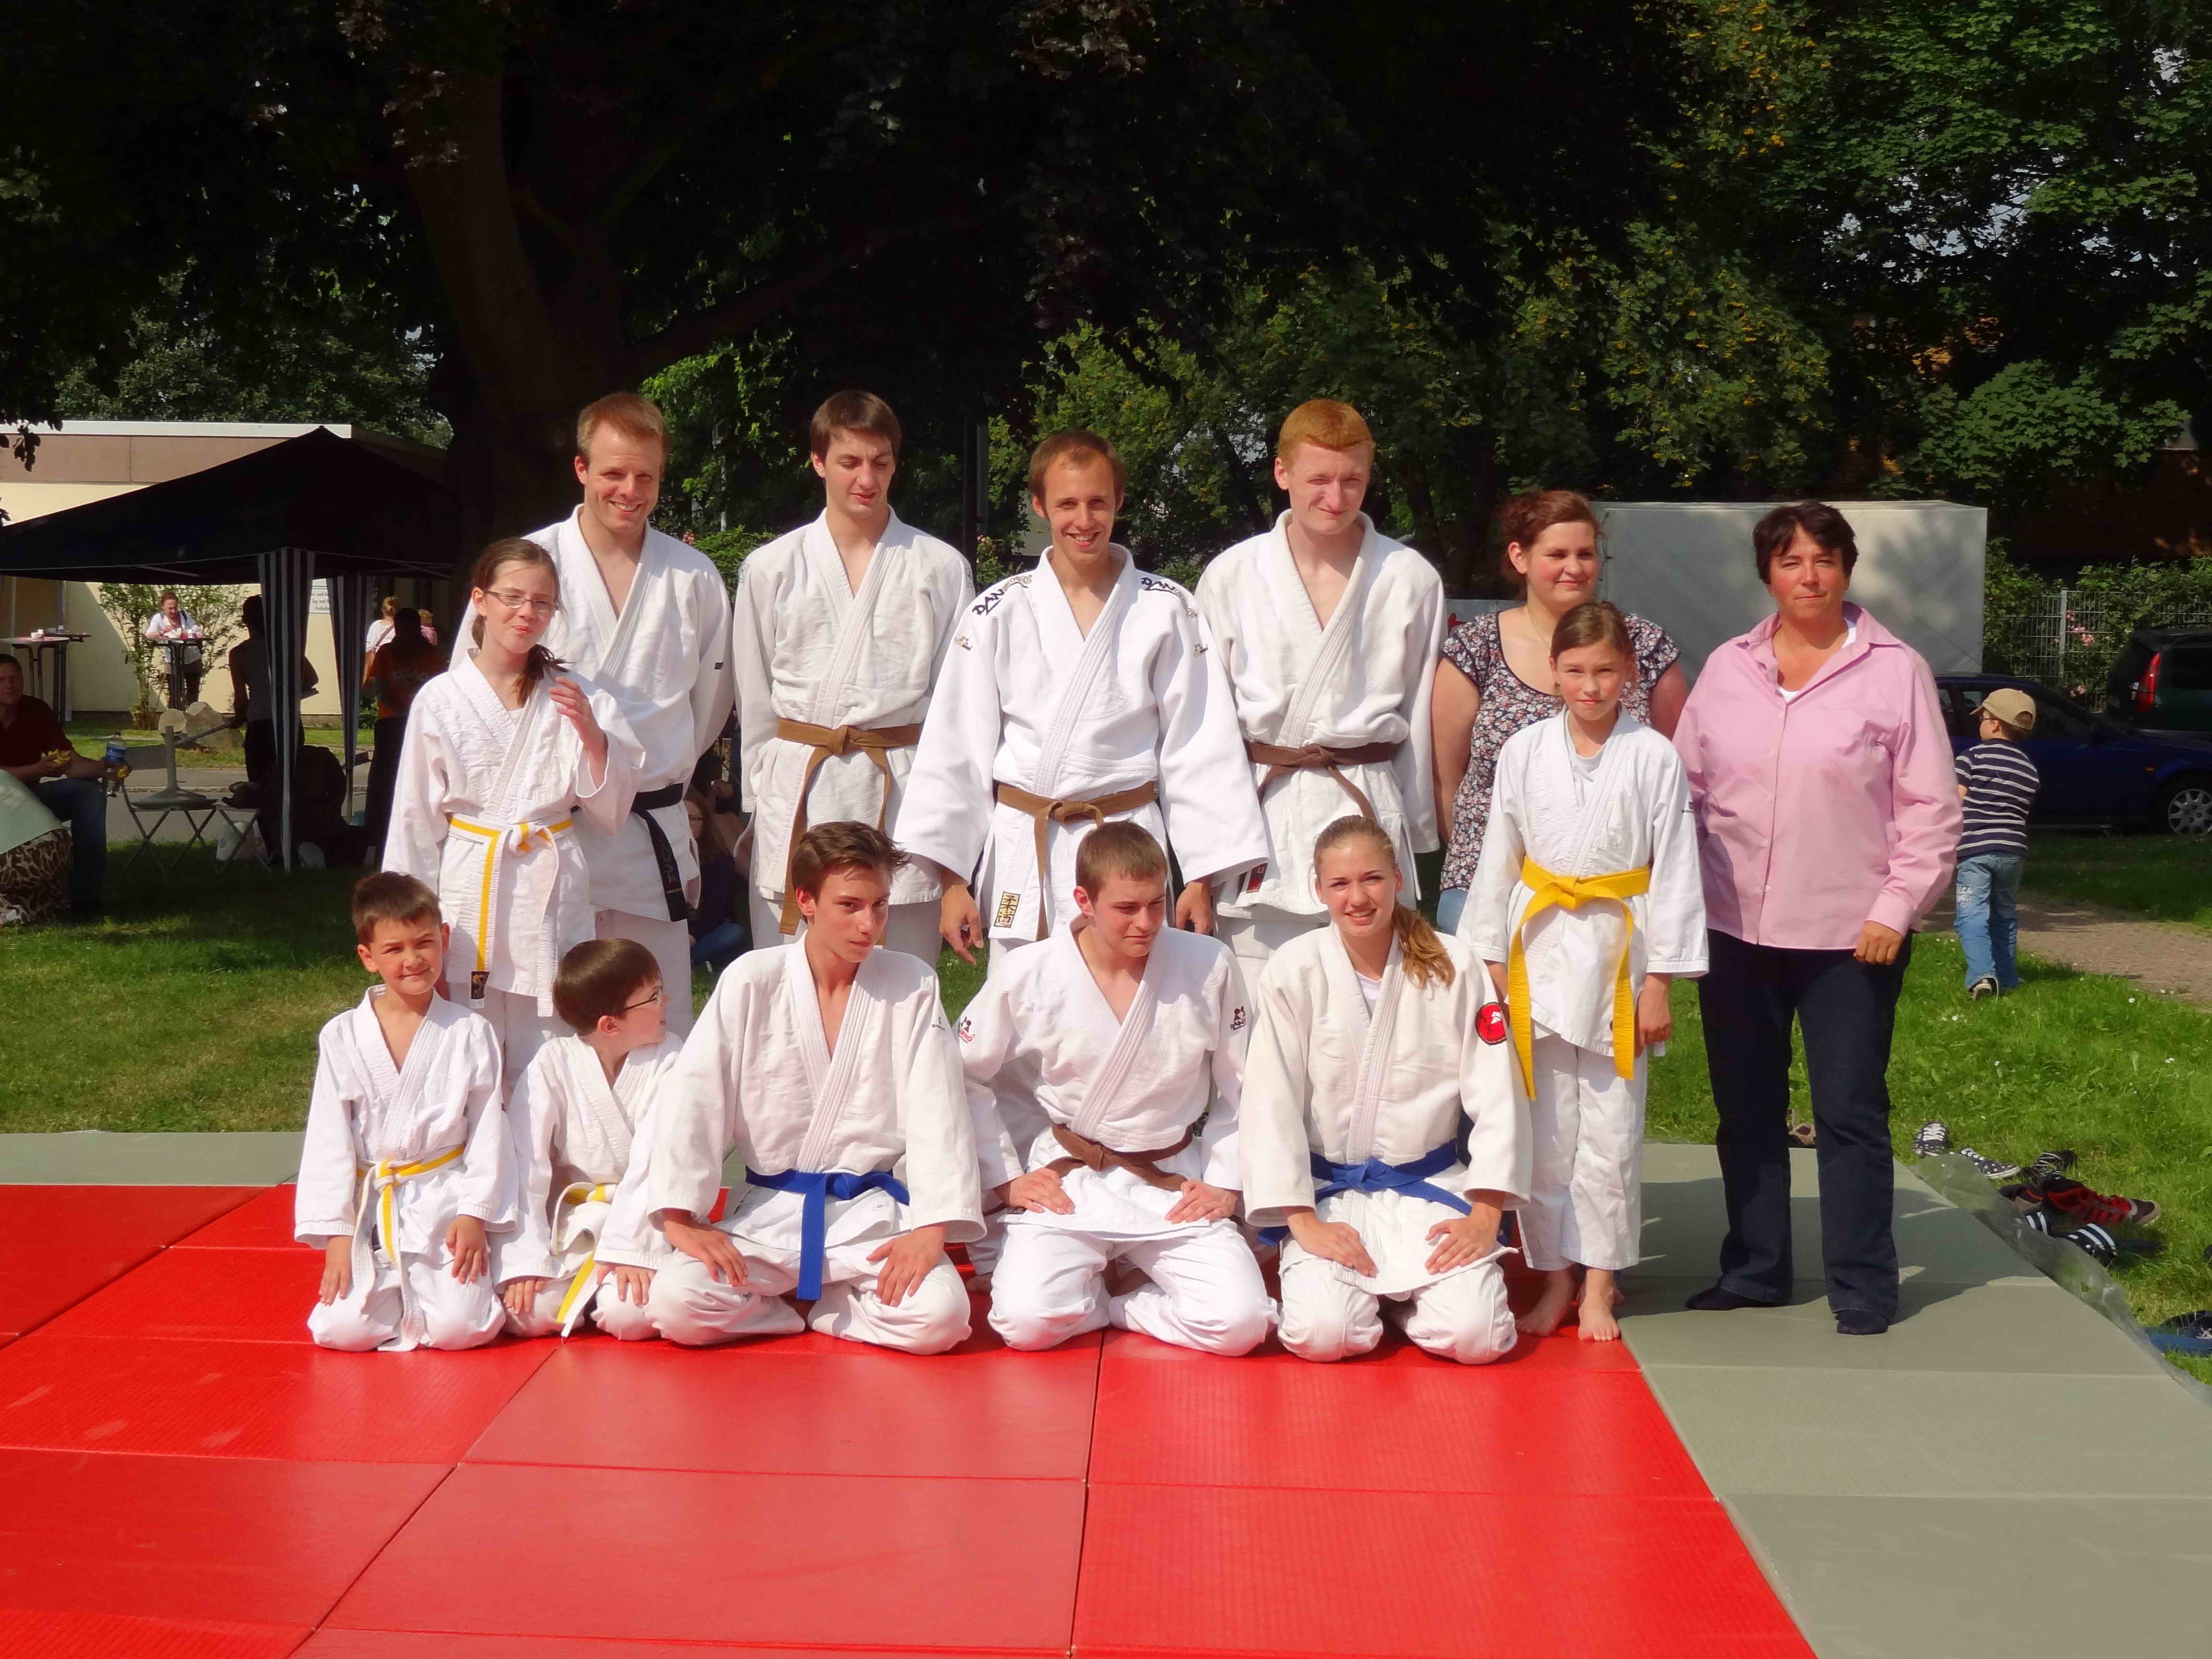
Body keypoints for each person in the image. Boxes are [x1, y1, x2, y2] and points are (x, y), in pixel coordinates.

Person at [1673, 501, 1959, 1337]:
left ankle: (1863, 1283)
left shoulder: (1893, 670)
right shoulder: (1727, 669)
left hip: (1849, 937)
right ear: (1766, 572)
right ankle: (1755, 1269)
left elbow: (1931, 810)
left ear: (1846, 568)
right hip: (1733, 930)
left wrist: (1895, 907)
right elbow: (1685, 796)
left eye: (1824, 559)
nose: (1809, 575)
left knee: (1847, 1112)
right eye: (1791, 560)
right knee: (1745, 1109)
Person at [601, 822, 984, 1353]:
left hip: (869, 1219)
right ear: (806, 900)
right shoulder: (752, 979)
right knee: (676, 1303)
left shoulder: (911, 982)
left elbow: (939, 1111)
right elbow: (695, 1101)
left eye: (879, 905)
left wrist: (931, 1228)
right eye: (849, 905)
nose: (868, 924)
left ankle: (833, 1307)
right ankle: (786, 1312)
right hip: (768, 1215)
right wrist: (679, 1215)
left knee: (940, 1318)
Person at [899, 429, 1267, 971]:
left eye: (1098, 502)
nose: (1084, 519)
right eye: (1067, 503)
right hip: (1029, 845)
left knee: (1136, 1005)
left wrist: (1202, 879)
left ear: (1119, 500)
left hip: (1127, 841)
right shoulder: (998, 611)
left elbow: (1199, 744)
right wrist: (954, 881)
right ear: (1039, 506)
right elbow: (956, 749)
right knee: (1022, 1016)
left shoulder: (1168, 609)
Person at [1460, 601, 1707, 1341]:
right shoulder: (1524, 752)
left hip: (1618, 960)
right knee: (1544, 1129)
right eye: (1576, 671)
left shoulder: (1654, 756)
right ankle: (1554, 1278)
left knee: (1612, 1129)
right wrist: (1492, 958)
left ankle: (1601, 1283)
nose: (1591, 686)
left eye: (1605, 671)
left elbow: (1675, 872)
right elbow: (1497, 856)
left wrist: (1661, 978)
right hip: (1538, 954)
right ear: (1553, 672)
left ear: (1629, 671)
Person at [958, 822, 1273, 1356]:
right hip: (1071, 1180)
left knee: (1240, 1324)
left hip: (1173, 1183)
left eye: (1156, 903)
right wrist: (1006, 1179)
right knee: (1025, 1323)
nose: (1147, 923)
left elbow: (1246, 1083)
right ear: (1083, 900)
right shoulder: (1029, 971)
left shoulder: (1207, 964)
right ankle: (1104, 1290)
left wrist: (1228, 1181)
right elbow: (961, 1073)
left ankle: (1119, 1308)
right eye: (1127, 908)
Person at [1243, 816, 1528, 1364]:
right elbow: (1268, 1102)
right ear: (1318, 890)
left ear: (1399, 879)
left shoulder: (1454, 963)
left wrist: (1486, 1213)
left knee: (1479, 1338)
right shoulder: (1293, 970)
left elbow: (1498, 1093)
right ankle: (1387, 1298)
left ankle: (1402, 1301)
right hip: (1330, 1197)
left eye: (1371, 879)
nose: (1357, 898)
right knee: (1325, 1336)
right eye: (1340, 884)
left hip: (1430, 1188)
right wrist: (1302, 1223)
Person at [500, 393, 734, 1037]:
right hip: (552, 830)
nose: (629, 490)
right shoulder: (527, 565)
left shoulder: (692, 577)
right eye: (612, 473)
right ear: (580, 469)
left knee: (653, 1023)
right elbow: (487, 687)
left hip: (647, 828)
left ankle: (655, 1142)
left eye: (645, 476)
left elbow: (710, 705)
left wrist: (654, 772)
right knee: (546, 1030)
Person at [1196, 400, 1444, 974]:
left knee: (1373, 1010)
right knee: (1263, 1015)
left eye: (1352, 480)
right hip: (1265, 815)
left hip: (1368, 803)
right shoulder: (1231, 575)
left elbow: (1421, 712)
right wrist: (1210, 850)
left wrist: (1415, 829)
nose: (1336, 498)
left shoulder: (1410, 578)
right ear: (1282, 474)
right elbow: (1206, 725)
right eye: (1318, 480)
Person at [385, 539, 641, 1077]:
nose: (527, 613)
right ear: (480, 600)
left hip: (548, 883)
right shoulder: (440, 698)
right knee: (465, 1034)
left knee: (552, 1036)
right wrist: (404, 924)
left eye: (542, 603)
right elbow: (414, 819)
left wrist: (596, 741)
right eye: (513, 598)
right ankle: (474, 1153)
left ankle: (550, 1154)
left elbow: (610, 813)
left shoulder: (575, 696)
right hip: (472, 878)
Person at [733, 390, 973, 960]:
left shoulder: (940, 567)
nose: (867, 478)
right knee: (790, 978)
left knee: (899, 979)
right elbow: (755, 700)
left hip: (901, 791)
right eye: (850, 462)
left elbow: (956, 706)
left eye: (881, 462)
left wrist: (950, 830)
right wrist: (762, 797)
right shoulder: (771, 567)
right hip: (801, 790)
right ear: (818, 462)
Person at [1431, 490, 1686, 932]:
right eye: (1557, 554)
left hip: (1608, 886)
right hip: (1484, 883)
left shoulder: (1644, 646)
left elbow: (1676, 770)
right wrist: (1488, 863)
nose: (1575, 567)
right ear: (1520, 556)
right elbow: (1447, 781)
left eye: (1585, 554)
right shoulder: (1476, 649)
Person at [295, 872, 512, 1352]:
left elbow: (488, 1132)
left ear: (445, 941)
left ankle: (447, 1289)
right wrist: (337, 1232)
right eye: (394, 950)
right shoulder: (342, 1035)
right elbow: (329, 1138)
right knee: (339, 1331)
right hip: (374, 1208)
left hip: (445, 1201)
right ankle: (394, 1290)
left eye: (424, 944)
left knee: (463, 1330)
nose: (413, 960)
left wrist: (475, 1213)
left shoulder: (469, 1031)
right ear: (368, 957)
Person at [492, 938, 682, 1341]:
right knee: (530, 1315)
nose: (666, 1002)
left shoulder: (671, 1057)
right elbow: (525, 1163)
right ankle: (588, 1286)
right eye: (653, 997)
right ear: (610, 1025)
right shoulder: (552, 1064)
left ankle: (605, 1289)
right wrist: (526, 1259)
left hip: (648, 1220)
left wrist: (632, 1248)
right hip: (575, 1222)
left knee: (629, 1317)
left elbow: (657, 1159)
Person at [0, 652, 108, 914]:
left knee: (89, 792)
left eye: (15, 678)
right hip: (3, 806)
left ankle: (86, 897)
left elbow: (70, 761)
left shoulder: (36, 709)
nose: (9, 685)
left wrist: (105, 768)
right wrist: (37, 769)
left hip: (31, 798)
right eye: (1, 680)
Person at [1954, 688, 2040, 1001]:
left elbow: (1955, 803)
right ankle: (2008, 977)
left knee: (1971, 914)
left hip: (1976, 850)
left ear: (1994, 725)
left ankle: (1981, 976)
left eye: (1983, 717)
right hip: (2013, 852)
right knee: (2004, 915)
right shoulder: (2029, 769)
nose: (1981, 723)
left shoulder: (1971, 757)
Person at [362, 607, 444, 857]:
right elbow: (380, 688)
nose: (403, 633)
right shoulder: (386, 653)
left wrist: (417, 714)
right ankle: (379, 838)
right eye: (399, 628)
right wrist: (402, 710)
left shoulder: (433, 656)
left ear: (417, 628)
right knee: (386, 780)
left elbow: (440, 691)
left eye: (408, 628)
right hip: (391, 724)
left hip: (422, 725)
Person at [227, 592, 320, 795]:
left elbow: (241, 698)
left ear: (245, 621)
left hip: (260, 723)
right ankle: (290, 825)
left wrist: (239, 718)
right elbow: (312, 679)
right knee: (290, 783)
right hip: (289, 721)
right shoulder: (286, 648)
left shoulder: (240, 653)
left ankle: (267, 826)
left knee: (261, 786)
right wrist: (289, 690)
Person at [684, 785, 745, 973]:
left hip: (703, 932)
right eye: (680, 818)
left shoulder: (719, 860)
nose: (685, 824)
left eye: (692, 819)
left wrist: (693, 936)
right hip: (668, 932)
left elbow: (716, 908)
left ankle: (692, 961)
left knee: (732, 934)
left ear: (705, 823)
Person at [0, 769, 72, 928]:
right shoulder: (3, 775)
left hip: (18, 856)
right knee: (31, 890)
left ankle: (7, 912)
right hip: (58, 845)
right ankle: (21, 913)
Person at [142, 589, 204, 708]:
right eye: (170, 608)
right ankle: (173, 723)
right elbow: (149, 635)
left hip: (193, 658)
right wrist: (161, 632)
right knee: (175, 695)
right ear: (163, 607)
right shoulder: (159, 618)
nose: (173, 611)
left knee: (193, 694)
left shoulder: (185, 615)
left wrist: (191, 633)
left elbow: (197, 631)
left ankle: (192, 722)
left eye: (175, 608)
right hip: (173, 660)